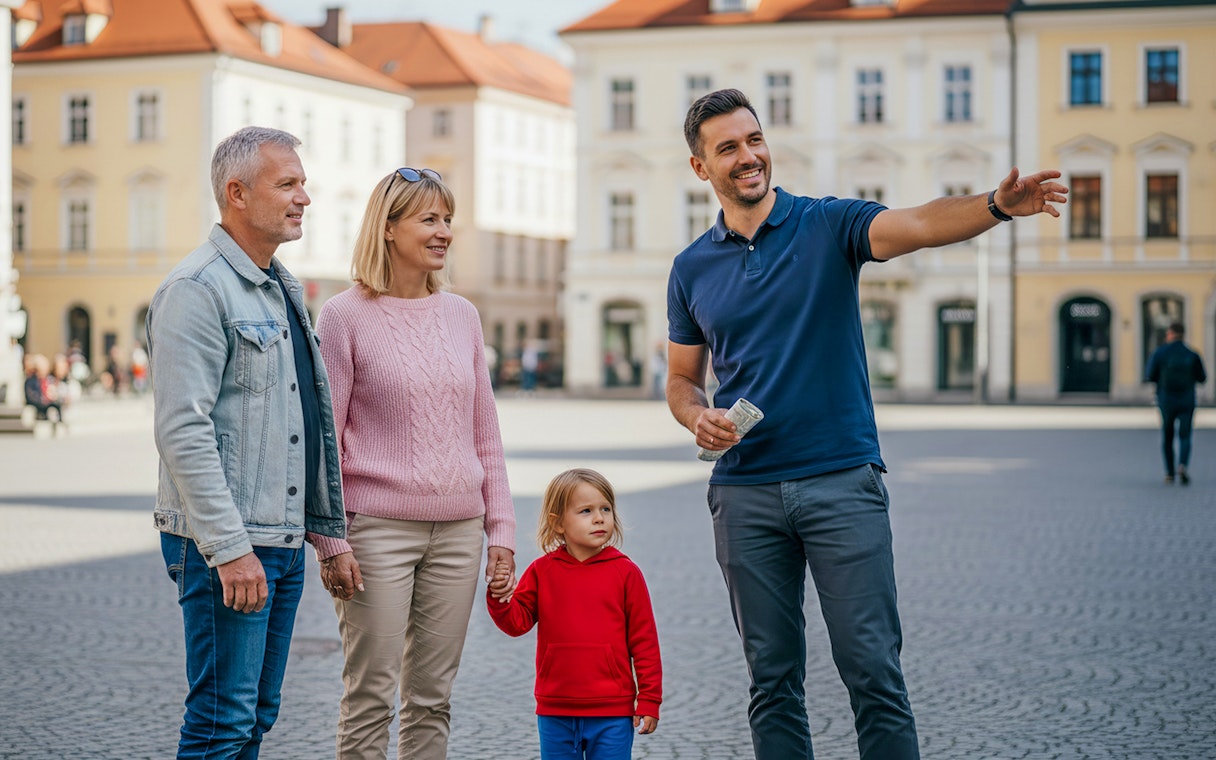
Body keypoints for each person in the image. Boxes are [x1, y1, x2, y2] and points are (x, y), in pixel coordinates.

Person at [665, 89, 1067, 760]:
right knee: (772, 681)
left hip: (840, 483)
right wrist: (695, 417)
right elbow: (681, 379)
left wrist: (994, 208)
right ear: (700, 167)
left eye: (754, 139)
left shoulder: (827, 225)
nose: (748, 156)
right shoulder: (690, 268)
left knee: (874, 671)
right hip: (744, 495)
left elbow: (918, 223)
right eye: (728, 147)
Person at [147, 126, 346, 759]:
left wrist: (324, 532)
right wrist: (230, 550)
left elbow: (298, 419)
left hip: (279, 538)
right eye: (287, 184)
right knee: (220, 722)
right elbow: (182, 429)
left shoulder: (278, 285)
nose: (304, 198)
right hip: (227, 543)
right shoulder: (197, 289)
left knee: (255, 715)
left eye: (302, 184)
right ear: (236, 193)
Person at [311, 167, 516, 759]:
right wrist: (331, 541)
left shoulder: (462, 316)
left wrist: (498, 530)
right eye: (430, 219)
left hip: (457, 533)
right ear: (389, 227)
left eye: (447, 220)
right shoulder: (344, 316)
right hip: (374, 533)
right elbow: (325, 438)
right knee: (371, 696)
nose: (444, 232)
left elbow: (486, 435)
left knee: (432, 698)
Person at [486, 467, 661, 760]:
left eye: (606, 508)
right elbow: (517, 623)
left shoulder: (626, 572)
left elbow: (645, 643)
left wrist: (649, 699)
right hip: (555, 709)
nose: (599, 518)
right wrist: (500, 597)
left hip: (613, 711)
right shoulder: (542, 571)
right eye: (586, 510)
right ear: (558, 523)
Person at [1145, 321, 1207, 485]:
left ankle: (1169, 473)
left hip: (1166, 399)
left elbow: (1150, 375)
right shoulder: (1192, 353)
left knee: (1167, 435)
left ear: (1170, 334)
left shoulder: (1160, 352)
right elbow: (1202, 378)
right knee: (1185, 435)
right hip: (1187, 399)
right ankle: (1182, 466)